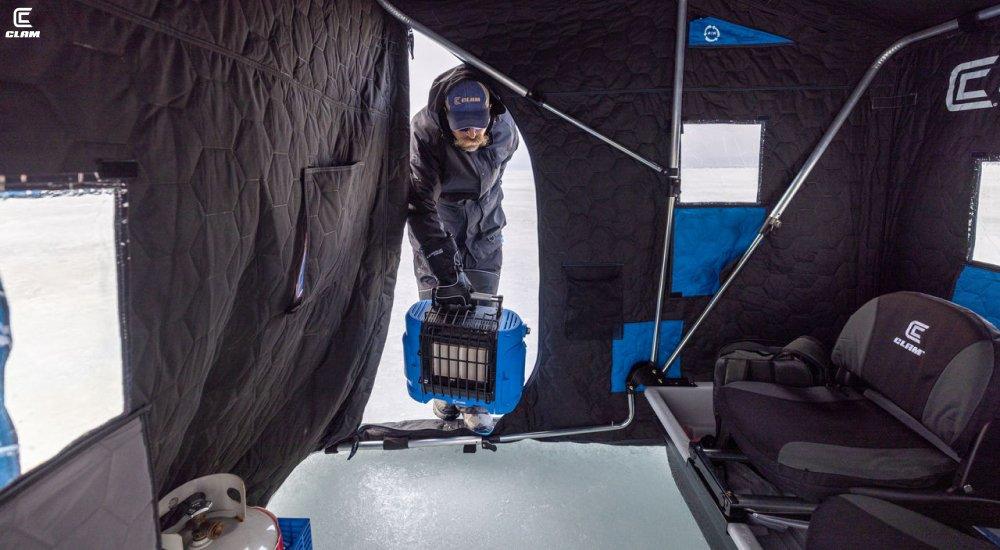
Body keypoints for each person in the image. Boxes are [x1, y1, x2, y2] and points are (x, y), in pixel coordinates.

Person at [407, 66, 519, 435]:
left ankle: (475, 399)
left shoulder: (505, 125)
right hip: (439, 221)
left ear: (490, 113)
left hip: (485, 223)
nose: (472, 133)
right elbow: (419, 204)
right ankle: (446, 391)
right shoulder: (424, 132)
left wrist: (484, 212)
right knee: (442, 310)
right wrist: (446, 271)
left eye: (478, 125)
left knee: (481, 311)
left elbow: (497, 170)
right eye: (462, 126)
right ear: (445, 117)